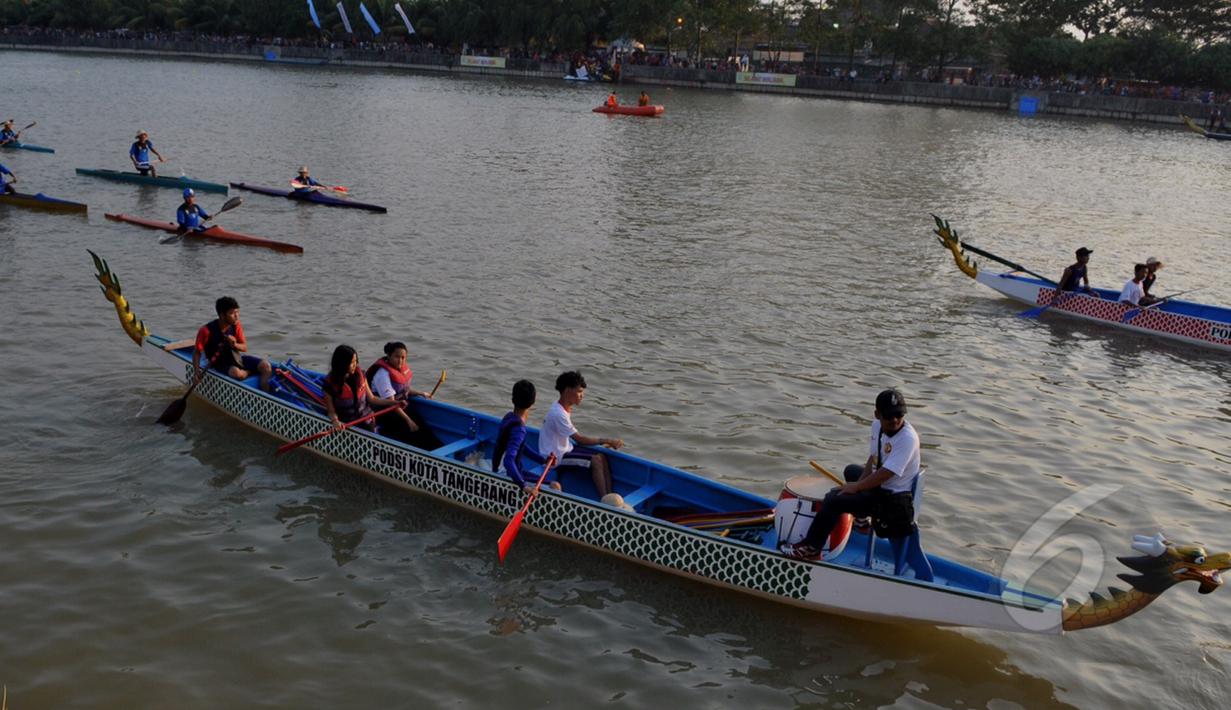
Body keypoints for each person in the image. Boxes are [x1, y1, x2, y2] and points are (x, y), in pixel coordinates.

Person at [785, 389, 921, 560]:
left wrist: (856, 487)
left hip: (891, 500)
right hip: (880, 487)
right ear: (877, 414)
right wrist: (857, 486)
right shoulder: (876, 426)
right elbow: (874, 459)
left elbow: (885, 474)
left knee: (833, 499)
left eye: (899, 415)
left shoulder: (908, 438)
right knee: (851, 470)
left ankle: (812, 548)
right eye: (889, 416)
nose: (894, 420)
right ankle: (861, 521)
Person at [538, 371, 623, 498]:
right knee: (595, 461)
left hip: (565, 449)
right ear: (567, 391)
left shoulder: (562, 407)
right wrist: (608, 440)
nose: (582, 396)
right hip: (554, 459)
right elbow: (580, 440)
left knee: (602, 456)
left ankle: (610, 497)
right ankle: (605, 500)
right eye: (579, 392)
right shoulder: (558, 414)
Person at [365, 341, 442, 449]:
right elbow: (391, 403)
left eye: (403, 357)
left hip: (399, 407)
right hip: (384, 411)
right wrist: (408, 420)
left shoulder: (399, 369)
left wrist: (421, 393)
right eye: (397, 357)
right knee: (411, 428)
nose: (400, 361)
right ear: (389, 355)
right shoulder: (382, 374)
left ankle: (438, 448)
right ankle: (424, 453)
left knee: (421, 423)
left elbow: (403, 390)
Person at [193, 296, 273, 392]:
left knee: (266, 366)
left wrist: (234, 344)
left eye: (237, 312)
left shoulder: (236, 325)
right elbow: (197, 352)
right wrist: (196, 372)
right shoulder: (205, 330)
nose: (236, 316)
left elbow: (244, 348)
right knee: (237, 374)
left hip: (237, 359)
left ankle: (266, 393)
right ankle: (248, 372)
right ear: (222, 315)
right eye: (232, 313)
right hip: (219, 362)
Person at [493, 380, 558, 494]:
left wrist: (543, 460)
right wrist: (523, 486)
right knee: (555, 486)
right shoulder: (519, 429)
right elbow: (509, 461)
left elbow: (521, 446)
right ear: (532, 402)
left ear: (513, 399)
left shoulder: (509, 417)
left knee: (552, 484)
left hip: (507, 469)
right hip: (507, 474)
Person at [323, 344, 402, 431]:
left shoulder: (360, 375)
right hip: (347, 425)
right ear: (342, 363)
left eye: (355, 361)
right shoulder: (330, 385)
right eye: (352, 362)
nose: (355, 365)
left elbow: (372, 399)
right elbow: (331, 411)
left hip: (367, 420)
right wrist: (335, 421)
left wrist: (394, 403)